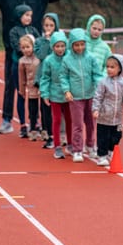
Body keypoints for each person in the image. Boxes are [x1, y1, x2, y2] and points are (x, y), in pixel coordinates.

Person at [0, 0, 65, 134]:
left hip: (36, 50)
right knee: (11, 85)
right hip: (13, 49)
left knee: (38, 85)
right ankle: (7, 120)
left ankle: (37, 121)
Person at [59, 28, 103, 163]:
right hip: (75, 98)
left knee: (91, 123)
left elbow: (97, 74)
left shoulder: (91, 58)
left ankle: (90, 146)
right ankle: (77, 150)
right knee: (77, 124)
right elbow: (63, 77)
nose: (79, 47)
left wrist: (99, 87)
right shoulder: (67, 60)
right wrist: (66, 90)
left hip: (91, 96)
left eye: (82, 44)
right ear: (71, 44)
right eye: (76, 44)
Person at [40, 31, 72, 159]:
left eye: (62, 46)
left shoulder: (70, 58)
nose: (60, 49)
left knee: (70, 120)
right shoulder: (49, 60)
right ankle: (57, 146)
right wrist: (45, 94)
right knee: (57, 120)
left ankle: (70, 144)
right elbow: (45, 78)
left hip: (68, 95)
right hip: (54, 95)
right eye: (57, 46)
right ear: (53, 47)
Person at [9, 5, 40, 138]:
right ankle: (22, 124)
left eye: (30, 15)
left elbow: (40, 44)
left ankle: (35, 121)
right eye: (26, 15)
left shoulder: (33, 30)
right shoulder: (14, 31)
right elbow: (16, 47)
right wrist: (27, 49)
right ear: (19, 15)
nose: (29, 18)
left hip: (34, 65)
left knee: (36, 93)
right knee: (21, 93)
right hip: (19, 65)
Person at [92, 54, 123, 167]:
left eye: (112, 67)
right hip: (104, 116)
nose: (109, 69)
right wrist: (95, 109)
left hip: (117, 118)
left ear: (120, 68)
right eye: (107, 66)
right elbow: (98, 97)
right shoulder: (103, 82)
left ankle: (110, 152)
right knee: (103, 137)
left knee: (116, 137)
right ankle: (102, 156)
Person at [34, 12, 60, 145]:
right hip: (43, 78)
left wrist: (54, 42)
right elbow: (41, 55)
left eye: (51, 25)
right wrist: (47, 41)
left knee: (56, 108)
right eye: (46, 25)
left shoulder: (61, 41)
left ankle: (57, 134)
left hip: (56, 78)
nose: (49, 27)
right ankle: (47, 131)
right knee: (44, 107)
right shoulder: (39, 41)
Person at [18, 34, 40, 141]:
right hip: (31, 89)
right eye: (23, 47)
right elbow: (22, 78)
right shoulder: (22, 61)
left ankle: (44, 129)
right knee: (32, 109)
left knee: (44, 110)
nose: (26, 50)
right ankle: (33, 129)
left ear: (33, 46)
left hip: (41, 88)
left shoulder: (39, 58)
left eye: (28, 47)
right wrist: (22, 90)